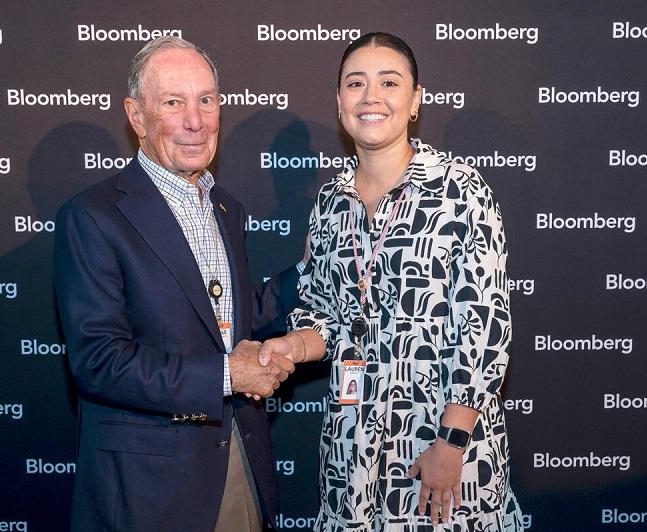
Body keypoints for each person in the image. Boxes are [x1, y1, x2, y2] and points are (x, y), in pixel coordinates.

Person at [259, 32, 523, 531]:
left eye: (389, 82)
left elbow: (485, 328)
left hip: (438, 443)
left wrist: (453, 442)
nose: (370, 97)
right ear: (339, 103)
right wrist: (293, 345)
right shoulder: (329, 204)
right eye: (355, 84)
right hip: (351, 450)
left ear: (415, 100)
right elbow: (325, 315)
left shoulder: (460, 191)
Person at [54, 36, 301, 532]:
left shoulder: (227, 207)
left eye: (206, 100)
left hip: (238, 463)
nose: (196, 120)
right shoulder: (93, 217)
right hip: (149, 489)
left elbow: (225, 320)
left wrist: (316, 273)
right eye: (173, 103)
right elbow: (99, 361)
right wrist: (230, 376)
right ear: (136, 115)